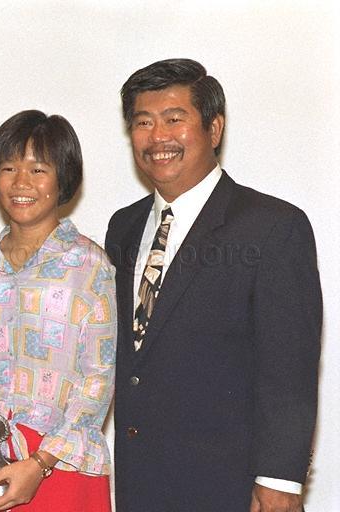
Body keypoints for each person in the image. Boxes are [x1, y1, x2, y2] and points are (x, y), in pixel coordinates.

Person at [105, 58, 322, 512]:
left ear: (214, 128)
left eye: (174, 119)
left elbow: (289, 370)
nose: (157, 137)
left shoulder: (272, 227)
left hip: (232, 487)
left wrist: (280, 480)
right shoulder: (122, 228)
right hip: (138, 484)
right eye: (143, 122)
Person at [0, 110, 116, 512]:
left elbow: (98, 380)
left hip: (61, 466)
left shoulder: (90, 267)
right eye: (8, 168)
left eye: (38, 169)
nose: (21, 183)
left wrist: (40, 462)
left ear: (64, 179)